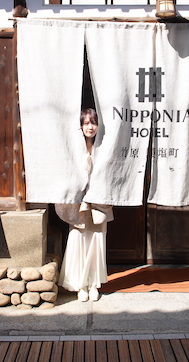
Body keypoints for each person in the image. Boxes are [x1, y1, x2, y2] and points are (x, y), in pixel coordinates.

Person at [55, 108, 113, 302]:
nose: (90, 127)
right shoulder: (74, 147)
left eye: (94, 122)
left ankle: (94, 284)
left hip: (99, 200)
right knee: (78, 238)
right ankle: (80, 285)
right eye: (86, 123)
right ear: (80, 126)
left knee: (96, 239)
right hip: (79, 201)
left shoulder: (105, 146)